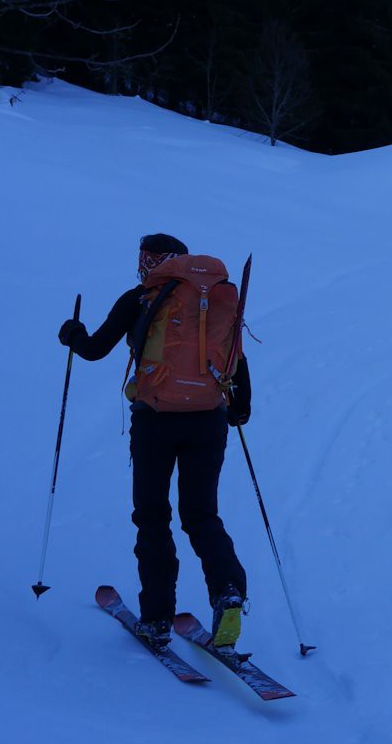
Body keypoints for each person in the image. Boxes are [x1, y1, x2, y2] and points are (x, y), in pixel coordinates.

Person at [58, 232, 251, 649]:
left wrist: (71, 333)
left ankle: (157, 619)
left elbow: (93, 350)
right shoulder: (216, 299)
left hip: (155, 421)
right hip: (208, 420)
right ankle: (228, 590)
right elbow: (236, 361)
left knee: (152, 516)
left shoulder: (140, 297)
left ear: (149, 261)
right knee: (201, 515)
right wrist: (236, 409)